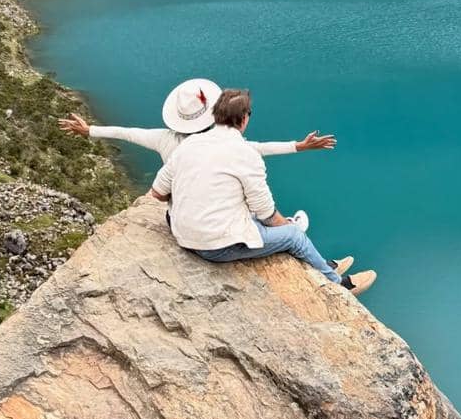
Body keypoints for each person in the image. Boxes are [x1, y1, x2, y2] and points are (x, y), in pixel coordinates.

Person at [150, 88, 377, 295]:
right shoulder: (245, 153)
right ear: (244, 118)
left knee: (252, 217)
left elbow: (158, 193)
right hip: (213, 246)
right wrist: (287, 227)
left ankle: (320, 262)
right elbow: (267, 214)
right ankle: (337, 284)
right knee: (295, 236)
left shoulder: (188, 145)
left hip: (183, 232)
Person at [59, 78, 336, 164]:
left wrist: (89, 130)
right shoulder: (220, 144)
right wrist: (298, 146)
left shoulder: (163, 138)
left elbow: (126, 132)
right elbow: (259, 148)